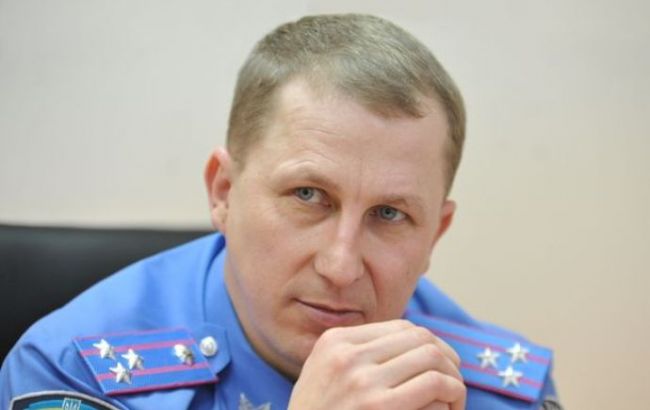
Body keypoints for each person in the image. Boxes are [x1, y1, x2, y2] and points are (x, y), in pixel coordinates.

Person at [0, 14, 562, 410]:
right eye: (308, 196)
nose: (341, 267)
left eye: (390, 214)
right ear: (224, 192)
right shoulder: (74, 374)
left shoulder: (502, 392)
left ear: (435, 234)